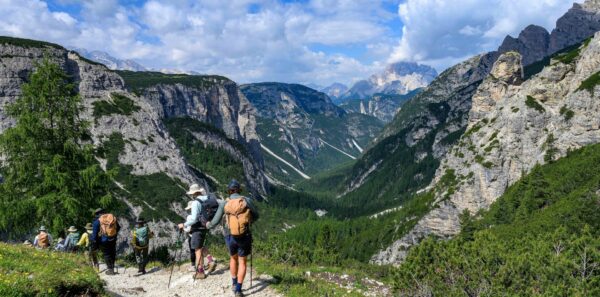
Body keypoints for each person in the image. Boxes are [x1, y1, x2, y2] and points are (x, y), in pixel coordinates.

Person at [219, 179, 259, 297]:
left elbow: (216, 220)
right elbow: (256, 215)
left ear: (229, 191)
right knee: (242, 261)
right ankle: (238, 290)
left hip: (230, 235)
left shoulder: (224, 203)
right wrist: (249, 220)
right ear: (239, 190)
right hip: (244, 235)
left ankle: (233, 283)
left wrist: (207, 225)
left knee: (233, 258)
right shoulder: (246, 201)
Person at [177, 184, 218, 280]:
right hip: (205, 226)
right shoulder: (207, 198)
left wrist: (184, 224)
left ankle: (200, 272)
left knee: (197, 249)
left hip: (197, 228)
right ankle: (210, 261)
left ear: (194, 193)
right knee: (201, 246)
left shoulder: (196, 202)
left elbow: (194, 218)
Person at [91, 208, 120, 275]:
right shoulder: (112, 218)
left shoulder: (97, 221)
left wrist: (95, 242)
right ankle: (112, 268)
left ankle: (110, 270)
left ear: (97, 214)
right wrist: (113, 235)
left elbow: (94, 235)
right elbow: (118, 228)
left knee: (107, 254)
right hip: (113, 239)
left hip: (103, 240)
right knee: (112, 253)